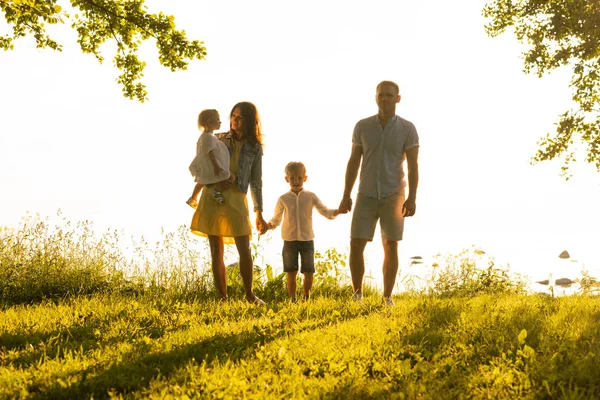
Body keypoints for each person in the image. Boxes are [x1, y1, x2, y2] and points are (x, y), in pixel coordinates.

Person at [338, 80, 420, 306]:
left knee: (390, 243)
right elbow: (354, 161)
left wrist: (412, 197)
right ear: (376, 98)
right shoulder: (362, 126)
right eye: (380, 95)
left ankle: (387, 297)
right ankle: (357, 294)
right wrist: (346, 194)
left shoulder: (408, 128)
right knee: (356, 242)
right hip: (365, 192)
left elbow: (413, 166)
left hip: (394, 193)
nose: (384, 99)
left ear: (398, 99)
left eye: (389, 95)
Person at [190, 102, 268, 304]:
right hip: (213, 195)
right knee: (216, 249)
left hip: (237, 197)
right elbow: (202, 166)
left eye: (240, 117)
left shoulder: (255, 147)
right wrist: (217, 180)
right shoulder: (218, 138)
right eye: (233, 115)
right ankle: (222, 298)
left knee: (244, 248)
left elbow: (256, 181)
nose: (234, 120)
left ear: (250, 120)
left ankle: (249, 294)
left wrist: (259, 211)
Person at [267, 161, 343, 302]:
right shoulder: (283, 199)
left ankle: (307, 298)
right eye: (292, 178)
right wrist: (268, 225)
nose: (296, 181)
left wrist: (337, 211)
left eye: (299, 178)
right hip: (289, 240)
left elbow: (325, 211)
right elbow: (276, 218)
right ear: (286, 179)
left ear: (305, 178)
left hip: (307, 239)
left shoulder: (311, 196)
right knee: (291, 272)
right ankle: (293, 299)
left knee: (308, 271)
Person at [187, 109, 230, 209]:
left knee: (202, 181)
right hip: (211, 165)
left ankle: (193, 198)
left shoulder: (207, 136)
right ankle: (217, 191)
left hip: (207, 165)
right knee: (227, 176)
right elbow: (210, 152)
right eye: (217, 119)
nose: (220, 122)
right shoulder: (208, 137)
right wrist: (216, 166)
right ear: (209, 121)